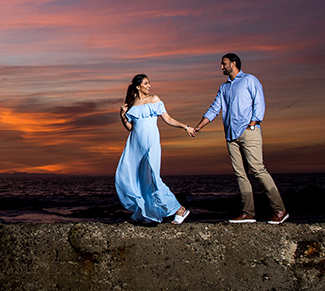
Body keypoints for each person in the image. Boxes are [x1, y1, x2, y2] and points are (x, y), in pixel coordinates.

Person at [189, 54, 288, 224]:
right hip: (231, 136)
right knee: (241, 174)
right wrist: (199, 126)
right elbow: (214, 108)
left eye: (223, 64)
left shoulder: (250, 80)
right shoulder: (224, 88)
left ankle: (280, 210)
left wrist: (253, 123)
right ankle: (248, 213)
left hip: (249, 131)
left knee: (258, 169)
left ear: (233, 64)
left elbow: (259, 102)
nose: (221, 67)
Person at [115, 74, 193, 225]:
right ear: (138, 87)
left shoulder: (154, 99)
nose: (149, 86)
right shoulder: (132, 103)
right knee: (136, 178)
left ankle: (179, 209)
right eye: (146, 83)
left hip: (150, 141)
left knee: (153, 177)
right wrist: (122, 116)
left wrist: (186, 127)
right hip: (135, 144)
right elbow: (130, 128)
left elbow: (168, 119)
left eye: (149, 83)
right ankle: (146, 214)